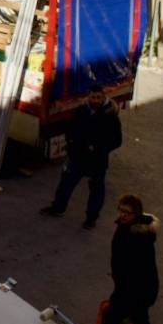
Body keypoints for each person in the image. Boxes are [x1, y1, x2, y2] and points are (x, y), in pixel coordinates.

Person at [40, 86, 122, 229]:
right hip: (77, 158)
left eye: (98, 97)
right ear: (88, 97)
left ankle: (91, 219)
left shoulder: (110, 117)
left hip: (97, 161)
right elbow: (70, 129)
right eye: (93, 97)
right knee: (66, 184)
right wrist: (72, 146)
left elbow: (116, 141)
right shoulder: (81, 111)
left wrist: (98, 149)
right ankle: (58, 208)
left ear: (103, 98)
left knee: (96, 192)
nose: (95, 100)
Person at [96, 194, 159, 324]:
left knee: (112, 319)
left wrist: (122, 291)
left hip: (133, 289)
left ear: (135, 215)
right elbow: (149, 218)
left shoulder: (137, 238)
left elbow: (135, 270)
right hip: (136, 288)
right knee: (140, 321)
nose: (123, 214)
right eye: (121, 210)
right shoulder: (131, 227)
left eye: (127, 212)